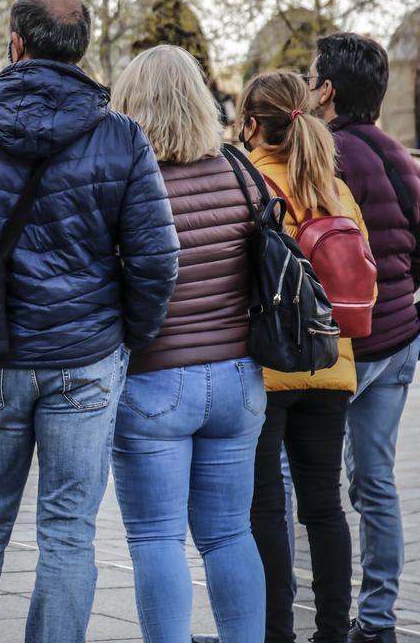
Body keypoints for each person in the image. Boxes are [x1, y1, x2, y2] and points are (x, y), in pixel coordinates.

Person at [0, 0, 179, 643]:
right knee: (67, 531)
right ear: (81, 49)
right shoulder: (119, 136)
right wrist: (127, 337)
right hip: (86, 360)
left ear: (16, 43)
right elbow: (155, 259)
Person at [110, 45, 266, 642]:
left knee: (156, 537)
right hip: (238, 381)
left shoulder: (129, 182)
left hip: (154, 381)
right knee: (230, 533)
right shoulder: (238, 170)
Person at [238, 71, 366, 643]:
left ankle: (275, 633)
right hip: (331, 365)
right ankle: (335, 632)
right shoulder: (335, 189)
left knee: (265, 509)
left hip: (266, 370)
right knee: (325, 508)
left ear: (251, 124)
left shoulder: (247, 183)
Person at [307, 34, 420, 643]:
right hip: (399, 337)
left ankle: (296, 610)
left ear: (326, 90)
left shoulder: (323, 156)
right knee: (375, 483)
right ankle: (377, 619)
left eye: (310, 76)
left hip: (343, 345)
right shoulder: (401, 155)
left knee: (293, 475)